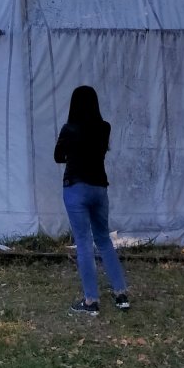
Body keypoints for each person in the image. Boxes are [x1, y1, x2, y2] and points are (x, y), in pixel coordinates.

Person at [54, 85, 129, 315]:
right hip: (99, 188)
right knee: (104, 240)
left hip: (76, 187)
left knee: (84, 243)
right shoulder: (104, 128)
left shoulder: (69, 128)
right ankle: (121, 294)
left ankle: (91, 301)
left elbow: (58, 156)